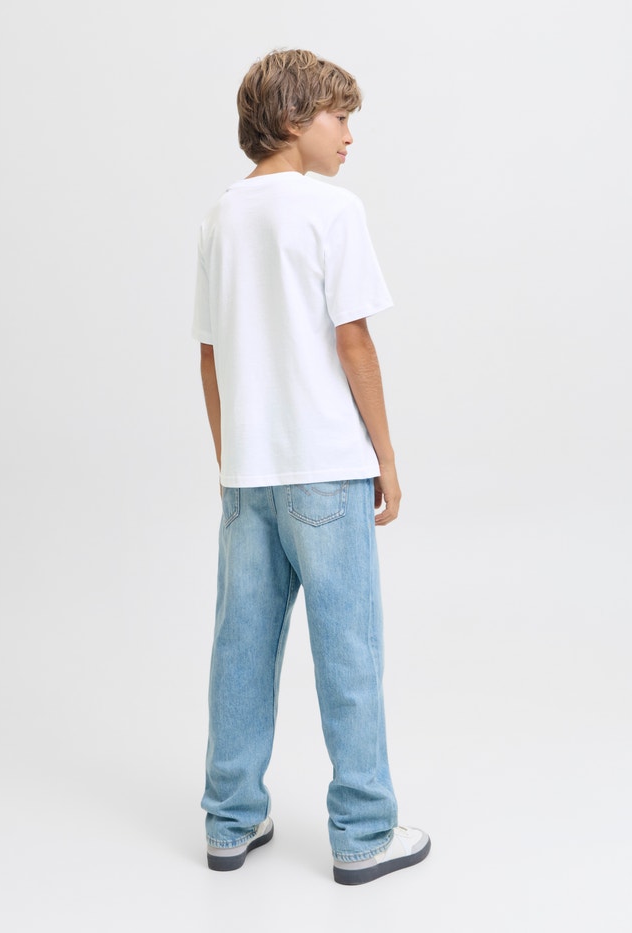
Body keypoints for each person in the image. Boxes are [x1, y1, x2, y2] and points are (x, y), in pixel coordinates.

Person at [193, 48, 430, 885]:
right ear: (295, 120)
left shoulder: (222, 217)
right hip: (327, 467)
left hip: (249, 477)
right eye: (340, 116)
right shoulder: (333, 209)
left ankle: (229, 820)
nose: (350, 135)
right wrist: (386, 456)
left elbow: (210, 355)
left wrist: (232, 460)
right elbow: (353, 339)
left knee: (241, 649)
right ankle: (363, 831)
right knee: (349, 651)